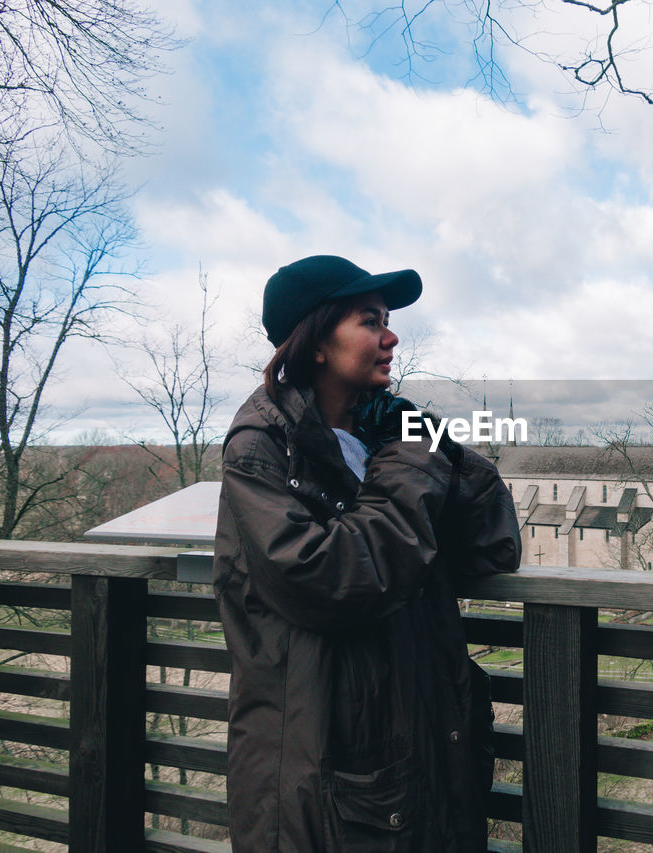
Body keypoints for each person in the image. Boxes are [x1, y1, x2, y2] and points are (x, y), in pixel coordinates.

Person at [213, 255, 521, 852]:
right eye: (369, 320)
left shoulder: (382, 434)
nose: (391, 335)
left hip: (422, 745)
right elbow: (329, 579)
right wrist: (411, 457)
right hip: (326, 769)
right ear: (316, 341)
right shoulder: (262, 449)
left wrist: (428, 439)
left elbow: (493, 544)